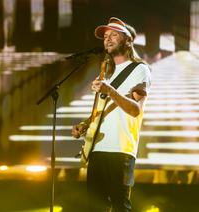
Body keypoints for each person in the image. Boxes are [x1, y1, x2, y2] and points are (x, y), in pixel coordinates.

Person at [71, 17, 152, 211]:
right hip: (97, 149)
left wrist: (110, 91)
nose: (108, 39)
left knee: (120, 206)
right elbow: (102, 114)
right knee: (94, 206)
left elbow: (135, 109)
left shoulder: (139, 69)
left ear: (128, 41)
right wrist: (85, 125)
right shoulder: (106, 74)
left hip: (120, 149)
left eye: (114, 35)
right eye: (105, 36)